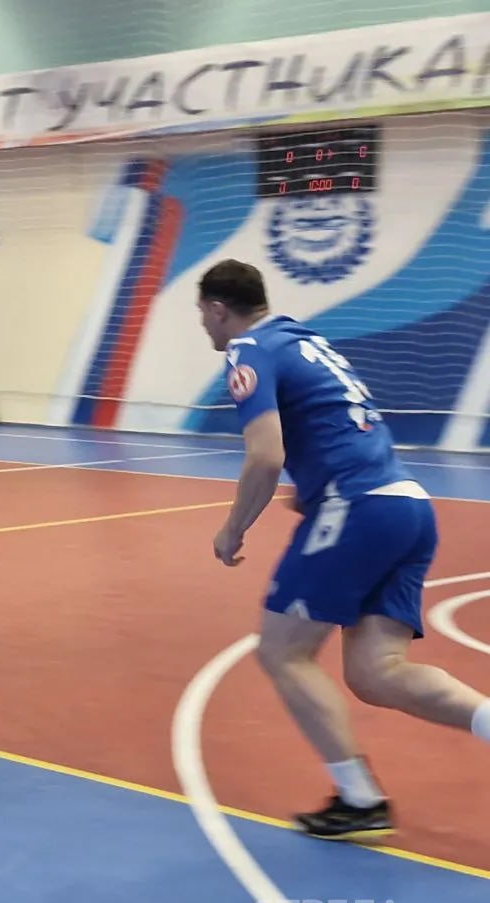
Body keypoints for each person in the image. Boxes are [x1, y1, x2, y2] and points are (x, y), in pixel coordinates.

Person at [199, 258, 490, 839]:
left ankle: (359, 799)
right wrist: (312, 489)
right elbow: (339, 423)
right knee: (376, 673)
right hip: (406, 504)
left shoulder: (247, 349)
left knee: (282, 651)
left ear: (217, 309)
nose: (205, 326)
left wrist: (234, 528)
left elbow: (265, 455)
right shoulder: (306, 341)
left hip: (356, 508)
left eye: (203, 315)